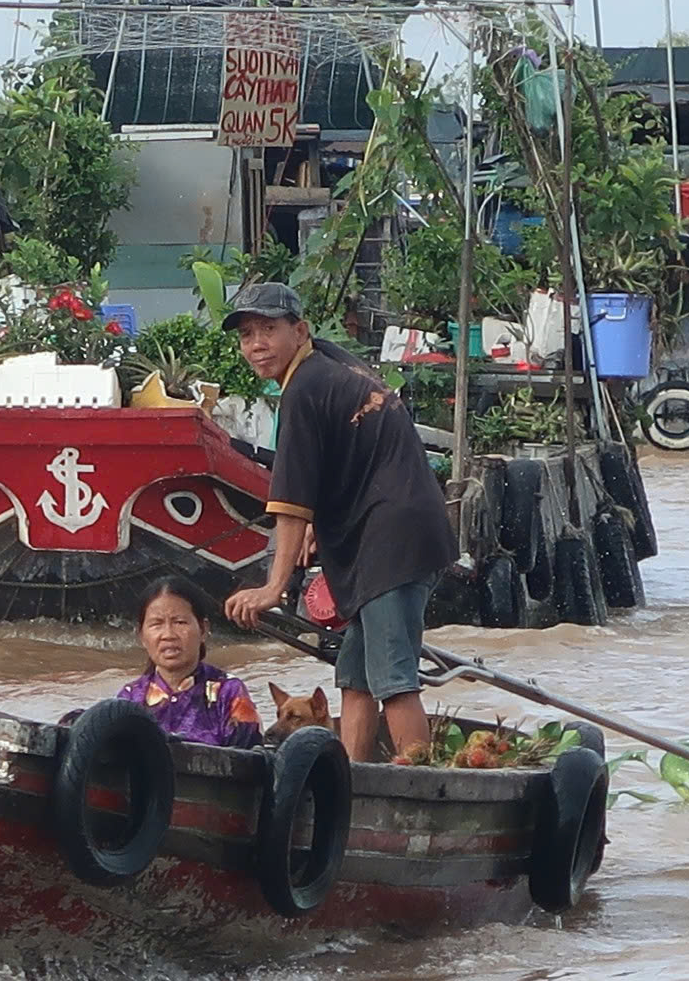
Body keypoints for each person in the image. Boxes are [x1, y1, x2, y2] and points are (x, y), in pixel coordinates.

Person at [220, 284, 457, 763]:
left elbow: (288, 505)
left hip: (392, 542)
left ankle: (420, 787)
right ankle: (349, 776)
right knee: (355, 674)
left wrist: (273, 588)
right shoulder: (330, 362)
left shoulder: (302, 390)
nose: (257, 344)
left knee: (393, 679)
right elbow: (343, 459)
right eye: (247, 335)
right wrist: (314, 529)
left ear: (299, 330)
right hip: (397, 529)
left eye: (269, 330)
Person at [116, 577, 264, 749]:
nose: (168, 634)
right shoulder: (129, 699)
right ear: (141, 636)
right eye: (156, 624)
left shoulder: (229, 692)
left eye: (180, 622)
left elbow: (250, 764)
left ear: (203, 629)